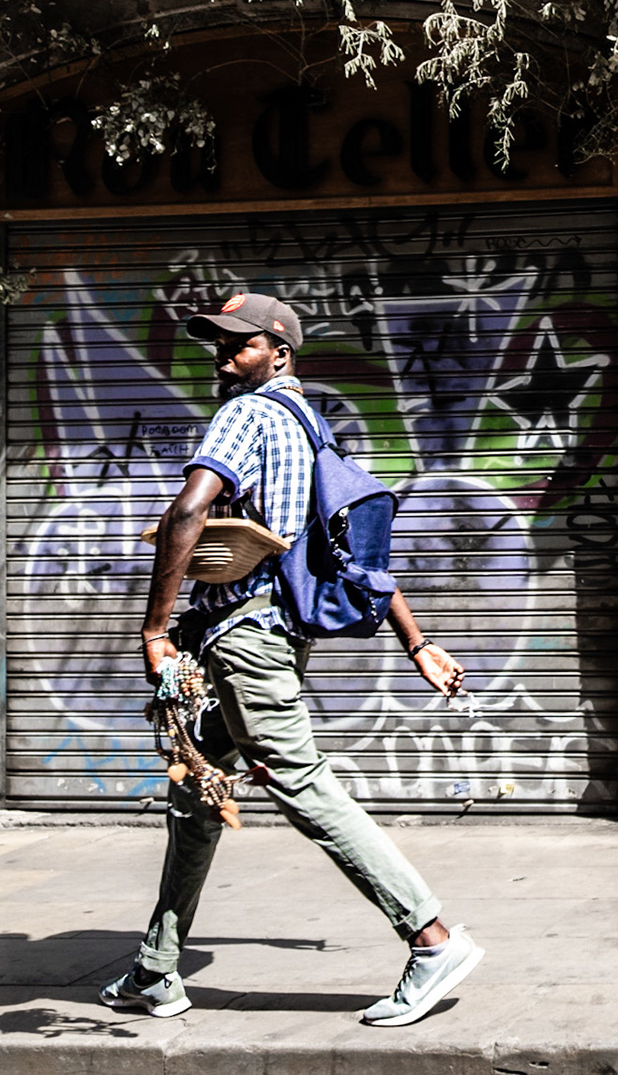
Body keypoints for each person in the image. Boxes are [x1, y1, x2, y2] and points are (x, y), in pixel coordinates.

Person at [98, 292, 484, 1027]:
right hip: (244, 638)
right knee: (197, 792)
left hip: (244, 640)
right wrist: (417, 640)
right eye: (217, 341)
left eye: (239, 342)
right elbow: (350, 549)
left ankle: (431, 938)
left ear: (280, 349)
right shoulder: (313, 428)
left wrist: (153, 631)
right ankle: (157, 966)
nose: (223, 352)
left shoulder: (247, 413)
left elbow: (188, 511)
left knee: (299, 782)